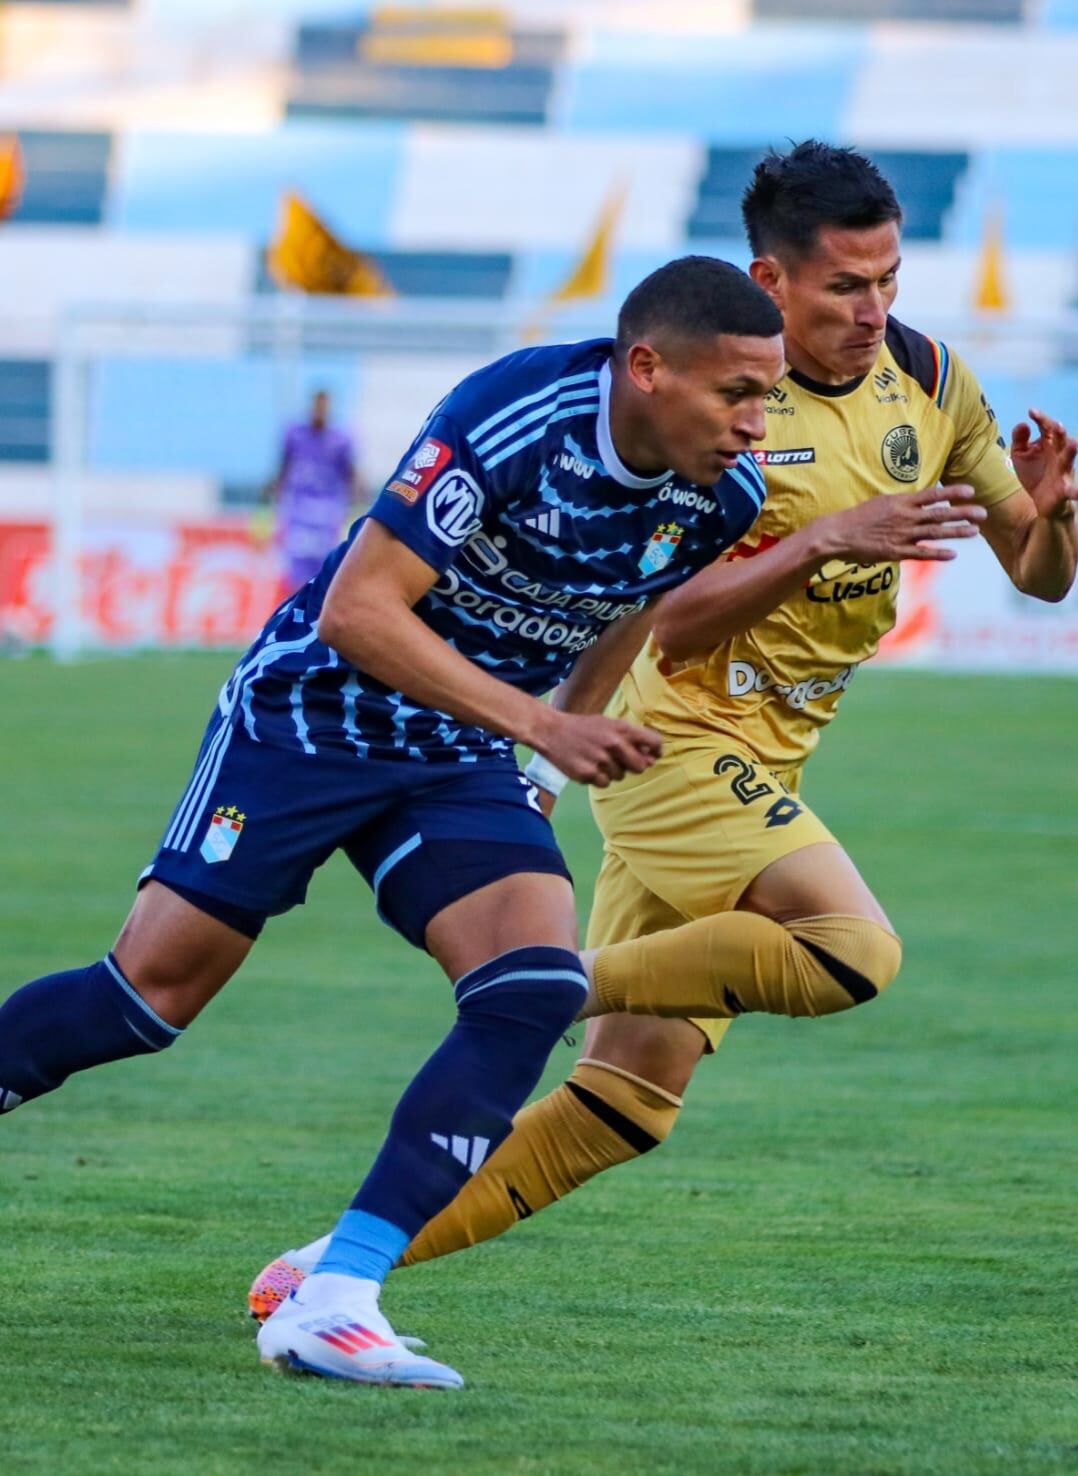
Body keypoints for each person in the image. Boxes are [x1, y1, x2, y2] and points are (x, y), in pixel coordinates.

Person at [251, 142, 1078, 1303]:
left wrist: (1046, 522)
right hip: (677, 739)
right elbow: (666, 623)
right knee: (853, 952)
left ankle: (320, 1274)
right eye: (846, 286)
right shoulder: (714, 406)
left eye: (890, 278)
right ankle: (542, 982)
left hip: (773, 751)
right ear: (772, 279)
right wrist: (820, 540)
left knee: (623, 1108)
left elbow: (1040, 575)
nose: (874, 309)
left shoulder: (932, 380)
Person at [0, 255, 786, 1389]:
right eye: (737, 394)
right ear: (648, 368)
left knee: (533, 986)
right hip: (311, 717)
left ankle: (336, 1295)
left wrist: (543, 767)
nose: (756, 424)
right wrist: (538, 723)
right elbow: (357, 608)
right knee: (147, 999)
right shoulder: (514, 416)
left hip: (458, 752)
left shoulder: (723, 497)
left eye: (768, 395)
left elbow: (625, 610)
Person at [266, 389, 359, 597]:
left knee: (324, 567)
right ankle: (293, 611)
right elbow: (284, 465)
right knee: (295, 567)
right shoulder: (294, 434)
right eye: (317, 405)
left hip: (328, 512)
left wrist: (356, 507)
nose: (320, 411)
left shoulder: (341, 440)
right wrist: (271, 497)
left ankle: (317, 612)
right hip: (298, 510)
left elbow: (351, 474)